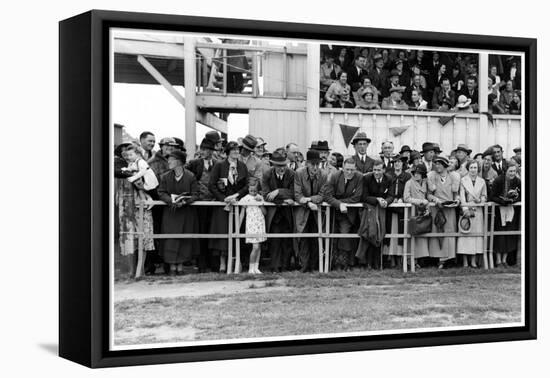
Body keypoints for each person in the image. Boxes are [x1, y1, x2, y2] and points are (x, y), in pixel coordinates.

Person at [208, 141, 250, 272]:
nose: (236, 152)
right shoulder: (219, 166)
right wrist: (223, 199)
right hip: (223, 206)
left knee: (238, 232)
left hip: (238, 204)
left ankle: (237, 260)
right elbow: (212, 185)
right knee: (223, 234)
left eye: (238, 150)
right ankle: (222, 263)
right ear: (227, 152)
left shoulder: (242, 166)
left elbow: (247, 186)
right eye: (233, 150)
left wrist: (237, 195)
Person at [157, 150, 200, 275]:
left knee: (184, 239)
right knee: (170, 239)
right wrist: (171, 201)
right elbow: (161, 192)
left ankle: (180, 266)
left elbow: (196, 194)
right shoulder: (165, 177)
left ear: (179, 162)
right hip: (171, 213)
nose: (169, 162)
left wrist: (185, 201)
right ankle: (171, 267)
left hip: (185, 213)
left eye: (171, 159)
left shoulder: (190, 176)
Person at [322, 158, 363, 271]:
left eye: (352, 170)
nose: (349, 172)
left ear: (355, 169)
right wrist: (339, 204)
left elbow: (357, 197)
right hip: (334, 211)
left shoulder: (359, 177)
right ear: (342, 168)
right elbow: (327, 195)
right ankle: (333, 263)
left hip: (349, 213)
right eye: (347, 169)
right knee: (333, 237)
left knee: (345, 236)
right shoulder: (335, 176)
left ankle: (345, 263)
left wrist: (342, 203)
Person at [185, 137, 217, 272]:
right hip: (199, 203)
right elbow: (185, 176)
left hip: (216, 203)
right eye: (202, 149)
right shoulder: (193, 163)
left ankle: (213, 263)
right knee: (201, 232)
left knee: (214, 232)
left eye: (207, 150)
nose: (204, 152)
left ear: (211, 151)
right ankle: (201, 263)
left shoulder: (218, 164)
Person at [261, 151, 296, 272]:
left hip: (287, 214)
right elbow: (265, 195)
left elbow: (294, 192)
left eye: (284, 165)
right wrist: (284, 201)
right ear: (273, 165)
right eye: (279, 165)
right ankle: (275, 267)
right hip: (274, 214)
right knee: (274, 240)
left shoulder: (292, 174)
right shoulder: (267, 174)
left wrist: (278, 192)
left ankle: (286, 266)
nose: (282, 168)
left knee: (287, 239)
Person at [294, 150, 327, 272]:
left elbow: (322, 194)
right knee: (303, 238)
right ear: (307, 163)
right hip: (303, 211)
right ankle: (304, 266)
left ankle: (315, 266)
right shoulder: (299, 173)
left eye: (317, 164)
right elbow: (297, 194)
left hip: (316, 211)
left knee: (316, 238)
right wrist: (308, 203)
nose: (315, 167)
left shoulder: (323, 175)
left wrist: (309, 199)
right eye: (312, 164)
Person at [356, 160, 393, 269]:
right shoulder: (366, 178)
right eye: (374, 170)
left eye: (379, 170)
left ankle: (378, 262)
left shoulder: (389, 179)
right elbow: (364, 197)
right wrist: (377, 199)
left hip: (383, 210)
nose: (376, 172)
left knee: (381, 233)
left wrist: (387, 201)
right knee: (370, 233)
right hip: (369, 211)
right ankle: (368, 262)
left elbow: (391, 195)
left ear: (384, 170)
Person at [427, 156, 460, 269]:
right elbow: (429, 194)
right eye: (436, 164)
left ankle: (449, 258)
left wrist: (457, 200)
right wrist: (435, 200)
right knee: (437, 231)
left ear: (445, 165)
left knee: (449, 232)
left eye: (440, 164)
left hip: (449, 210)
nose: (437, 166)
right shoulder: (432, 177)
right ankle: (438, 259)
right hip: (437, 209)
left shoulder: (452, 177)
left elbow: (456, 194)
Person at [456, 160, 487, 268]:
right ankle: (465, 261)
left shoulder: (482, 181)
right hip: (467, 210)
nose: (473, 170)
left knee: (476, 237)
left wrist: (480, 200)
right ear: (468, 169)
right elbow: (461, 196)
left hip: (477, 211)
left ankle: (473, 261)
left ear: (478, 169)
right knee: (465, 235)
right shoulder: (463, 180)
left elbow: (484, 195)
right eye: (471, 168)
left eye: (475, 168)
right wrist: (465, 210)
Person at [490, 161, 521, 267]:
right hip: (499, 212)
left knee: (509, 235)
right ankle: (498, 260)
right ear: (505, 171)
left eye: (514, 171)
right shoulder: (498, 180)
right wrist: (503, 201)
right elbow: (492, 196)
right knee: (500, 235)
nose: (512, 173)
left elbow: (521, 195)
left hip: (511, 211)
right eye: (510, 171)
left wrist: (514, 200)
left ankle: (504, 260)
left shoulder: (517, 181)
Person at [385, 154, 412, 267]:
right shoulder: (388, 175)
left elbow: (408, 190)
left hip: (402, 207)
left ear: (403, 164)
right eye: (395, 162)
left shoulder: (407, 176)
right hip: (390, 208)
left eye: (399, 162)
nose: (397, 164)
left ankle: (401, 256)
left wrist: (401, 198)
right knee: (390, 230)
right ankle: (391, 257)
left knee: (402, 231)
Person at [403, 164, 430, 267]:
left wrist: (427, 206)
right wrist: (420, 202)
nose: (416, 175)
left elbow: (427, 195)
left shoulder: (424, 183)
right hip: (412, 212)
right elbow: (406, 198)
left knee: (421, 237)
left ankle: (419, 260)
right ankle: (410, 260)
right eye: (414, 173)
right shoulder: (409, 183)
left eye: (419, 173)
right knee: (411, 235)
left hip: (422, 213)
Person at [238, 178, 267, 274]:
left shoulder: (260, 197)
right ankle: (251, 267)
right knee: (255, 246)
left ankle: (256, 267)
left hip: (260, 223)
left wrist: (260, 203)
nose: (253, 192)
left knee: (259, 246)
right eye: (251, 190)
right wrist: (238, 227)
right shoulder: (246, 198)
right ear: (248, 189)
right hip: (251, 224)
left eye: (255, 191)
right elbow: (242, 213)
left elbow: (265, 212)